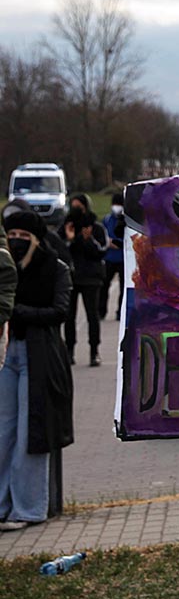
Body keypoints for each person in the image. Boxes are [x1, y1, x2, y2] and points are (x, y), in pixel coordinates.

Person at [0, 209, 71, 532]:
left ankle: (28, 508)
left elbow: (59, 311)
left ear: (36, 239)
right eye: (11, 235)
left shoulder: (55, 268)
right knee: (4, 433)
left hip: (38, 356)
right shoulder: (6, 268)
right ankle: (3, 504)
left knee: (30, 433)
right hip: (8, 352)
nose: (16, 241)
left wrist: (18, 312)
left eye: (23, 236)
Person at [58, 194, 107, 367]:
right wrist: (70, 239)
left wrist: (88, 240)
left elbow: (101, 252)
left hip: (91, 278)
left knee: (92, 315)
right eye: (73, 207)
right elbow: (59, 251)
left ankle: (94, 351)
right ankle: (69, 350)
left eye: (79, 207)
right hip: (71, 278)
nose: (76, 211)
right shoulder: (66, 227)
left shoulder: (95, 227)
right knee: (69, 316)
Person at [100, 191, 125, 321]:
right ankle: (101, 311)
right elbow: (102, 236)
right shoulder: (107, 219)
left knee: (123, 288)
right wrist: (108, 242)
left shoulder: (125, 221)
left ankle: (120, 312)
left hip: (122, 259)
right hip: (109, 258)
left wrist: (117, 243)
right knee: (104, 286)